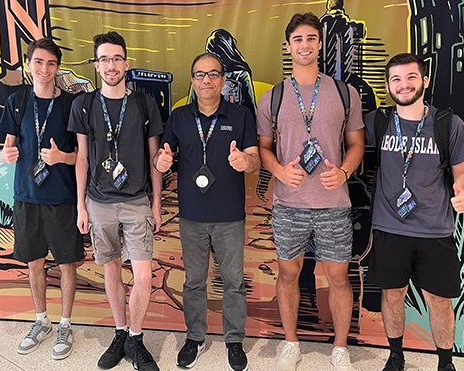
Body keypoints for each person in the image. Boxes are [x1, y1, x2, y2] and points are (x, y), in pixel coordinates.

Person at [257, 12, 365, 371]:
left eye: (310, 38)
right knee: (288, 273)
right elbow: (264, 147)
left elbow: (356, 143)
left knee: (337, 276)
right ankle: (291, 343)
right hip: (289, 204)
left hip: (334, 203)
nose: (304, 45)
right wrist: (278, 170)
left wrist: (346, 170)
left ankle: (340, 347)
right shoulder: (272, 97)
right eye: (298, 39)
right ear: (288, 47)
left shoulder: (342, 92)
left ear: (319, 44)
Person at [364, 53, 464, 371]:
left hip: (434, 229)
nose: (404, 84)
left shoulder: (447, 124)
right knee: (393, 293)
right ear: (388, 85)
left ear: (424, 81)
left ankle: (445, 362)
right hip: (389, 227)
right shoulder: (378, 121)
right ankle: (395, 355)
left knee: (439, 299)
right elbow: (347, 142)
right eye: (396, 79)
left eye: (411, 77)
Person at [154, 53, 260, 371]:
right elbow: (164, 154)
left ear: (223, 79)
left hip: (230, 215)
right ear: (192, 80)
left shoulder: (241, 116)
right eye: (200, 75)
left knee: (233, 282)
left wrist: (246, 162)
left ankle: (234, 340)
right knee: (194, 282)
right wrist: (161, 162)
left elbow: (254, 158)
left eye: (213, 74)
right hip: (192, 215)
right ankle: (195, 336)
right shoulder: (179, 117)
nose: (207, 81)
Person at [68, 31, 163, 371]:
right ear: (96, 65)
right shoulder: (84, 105)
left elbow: (155, 158)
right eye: (104, 59)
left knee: (143, 275)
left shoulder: (143, 103)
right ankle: (120, 332)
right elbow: (81, 158)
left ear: (127, 62)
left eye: (116, 58)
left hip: (137, 200)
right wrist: (80, 205)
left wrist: (156, 203)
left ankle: (136, 339)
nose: (111, 65)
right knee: (110, 270)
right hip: (98, 202)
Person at [0, 38, 85, 360]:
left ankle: (65, 324)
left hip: (62, 198)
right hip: (27, 196)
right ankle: (41, 321)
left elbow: (83, 157)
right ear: (28, 64)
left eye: (50, 63)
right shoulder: (17, 101)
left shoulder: (71, 105)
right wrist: (6, 154)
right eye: (38, 62)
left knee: (65, 263)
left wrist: (63, 157)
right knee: (34, 262)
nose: (44, 69)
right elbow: (7, 146)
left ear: (58, 67)